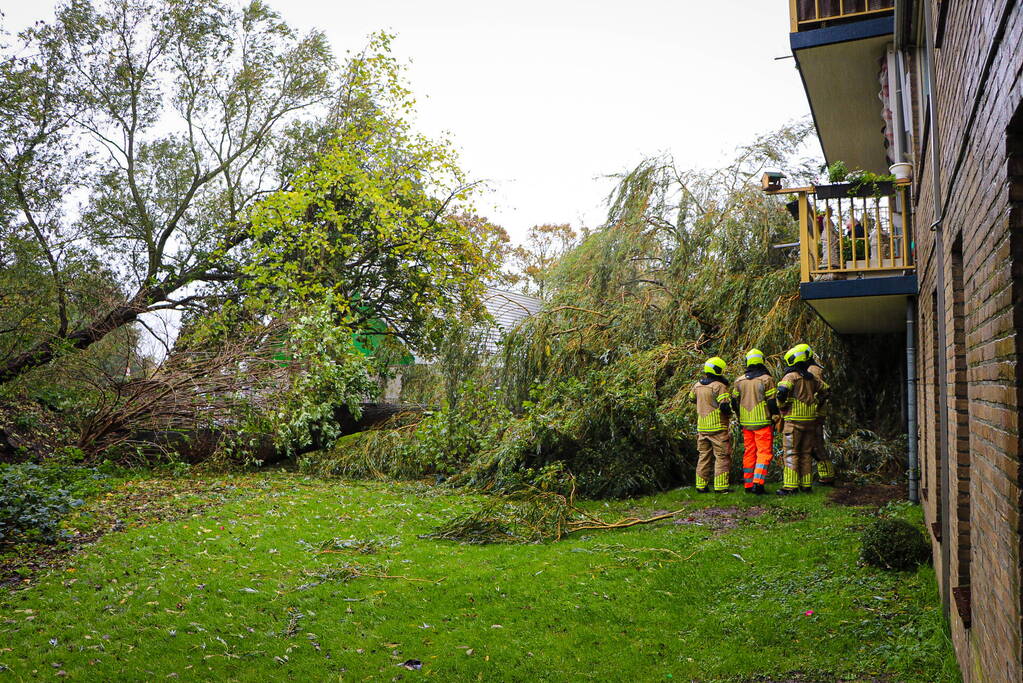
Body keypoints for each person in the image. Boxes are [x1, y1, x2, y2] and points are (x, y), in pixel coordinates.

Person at [776, 346, 829, 495]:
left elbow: (781, 393)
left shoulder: (790, 376)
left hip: (793, 421)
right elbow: (826, 390)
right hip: (810, 420)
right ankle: (807, 485)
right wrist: (816, 403)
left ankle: (790, 486)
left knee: (791, 453)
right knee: (806, 453)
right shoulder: (812, 378)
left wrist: (783, 407)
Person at [730, 349, 780, 495]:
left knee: (749, 452)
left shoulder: (739, 381)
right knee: (764, 452)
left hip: (746, 423)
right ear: (762, 361)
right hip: (763, 423)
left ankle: (748, 484)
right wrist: (775, 415)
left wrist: (740, 416)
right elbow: (771, 402)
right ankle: (758, 484)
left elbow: (734, 401)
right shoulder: (766, 380)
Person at [689, 357, 733, 494]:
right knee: (722, 456)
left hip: (702, 428)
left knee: (704, 456)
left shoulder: (697, 385)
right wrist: (730, 414)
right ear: (718, 370)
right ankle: (720, 487)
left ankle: (701, 485)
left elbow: (691, 399)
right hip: (718, 427)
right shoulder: (719, 386)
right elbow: (725, 406)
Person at [794, 343, 836, 485]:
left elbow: (819, 390)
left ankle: (827, 476)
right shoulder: (810, 368)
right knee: (812, 445)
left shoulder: (813, 370)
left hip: (816, 414)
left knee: (816, 445)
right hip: (813, 413)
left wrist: (814, 406)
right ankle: (825, 475)